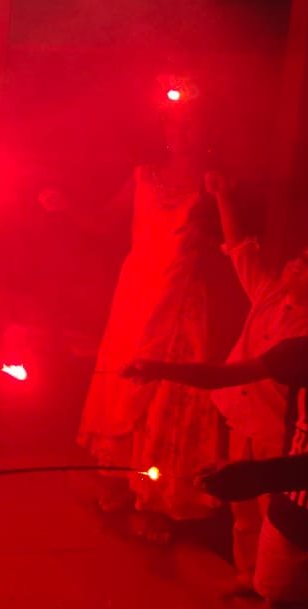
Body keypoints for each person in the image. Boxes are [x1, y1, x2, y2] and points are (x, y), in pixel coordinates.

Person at [123, 241, 308, 609]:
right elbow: (229, 374)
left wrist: (260, 475)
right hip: (288, 518)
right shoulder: (307, 354)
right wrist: (161, 368)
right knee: (278, 606)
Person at [57, 100, 226, 542]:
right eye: (173, 123)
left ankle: (155, 498)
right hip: (137, 293)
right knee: (124, 384)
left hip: (182, 299)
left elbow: (229, 244)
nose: (179, 132)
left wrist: (211, 225)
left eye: (190, 124)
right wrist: (64, 206)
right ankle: (119, 483)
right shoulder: (144, 174)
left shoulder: (214, 184)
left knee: (167, 391)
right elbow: (102, 223)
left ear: (208, 132)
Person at [206, 169, 308, 593]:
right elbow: (240, 250)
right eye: (302, 256)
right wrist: (223, 197)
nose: (298, 262)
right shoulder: (270, 293)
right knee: (241, 508)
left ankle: (275, 587)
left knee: (270, 514)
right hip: (239, 419)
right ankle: (247, 574)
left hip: (274, 434)